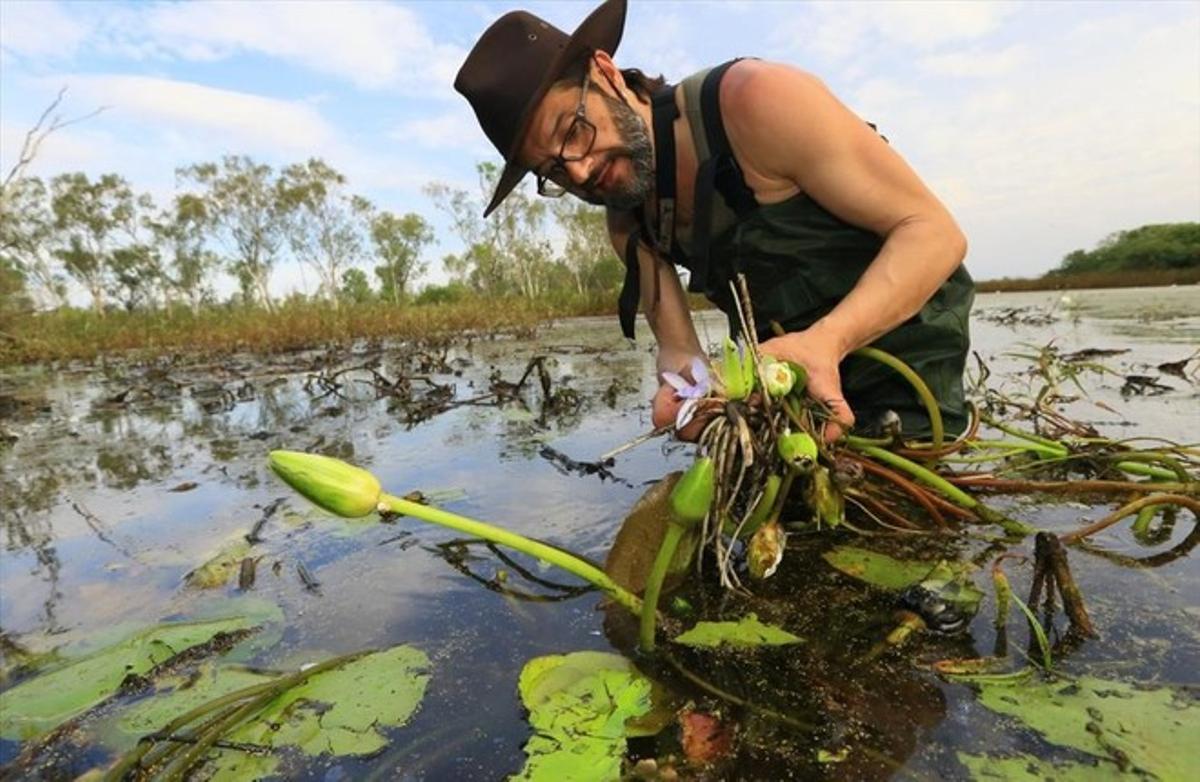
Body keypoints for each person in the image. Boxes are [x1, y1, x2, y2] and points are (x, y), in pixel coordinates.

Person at [455, 0, 974, 443]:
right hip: (792, 389)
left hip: (910, 365)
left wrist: (828, 341)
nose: (582, 170)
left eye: (573, 131)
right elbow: (681, 350)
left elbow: (932, 232)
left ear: (606, 72)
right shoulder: (628, 220)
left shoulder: (757, 100)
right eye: (552, 171)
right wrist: (684, 392)